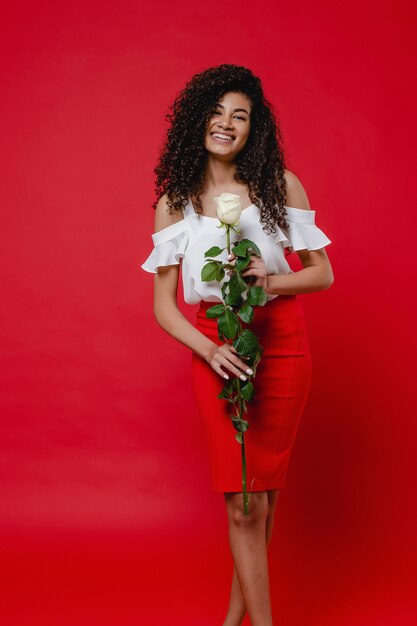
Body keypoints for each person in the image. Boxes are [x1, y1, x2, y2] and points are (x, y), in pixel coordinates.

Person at [141, 64, 334, 626]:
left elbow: (321, 274)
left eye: (240, 116)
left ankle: (235, 622)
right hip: (216, 348)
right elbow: (163, 307)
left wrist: (266, 282)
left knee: (262, 496)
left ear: (255, 129)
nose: (226, 124)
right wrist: (207, 350)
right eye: (217, 111)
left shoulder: (280, 185)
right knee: (243, 499)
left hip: (284, 344)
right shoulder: (174, 203)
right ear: (198, 119)